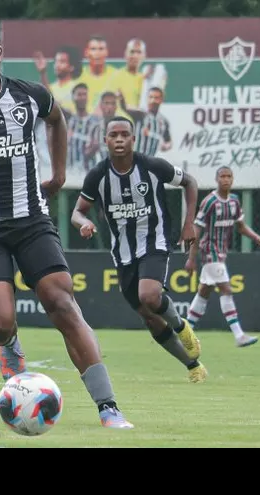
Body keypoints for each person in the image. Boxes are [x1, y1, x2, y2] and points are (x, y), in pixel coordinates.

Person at [0, 17, 134, 429]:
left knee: (62, 303)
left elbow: (57, 120)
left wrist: (57, 175)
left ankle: (108, 407)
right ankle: (10, 343)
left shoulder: (30, 96)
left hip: (32, 219)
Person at [69, 117, 206, 383]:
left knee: (150, 295)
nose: (119, 139)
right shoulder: (97, 175)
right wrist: (83, 223)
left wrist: (188, 224)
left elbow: (189, 182)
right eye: (113, 135)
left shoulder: (152, 166)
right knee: (150, 317)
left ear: (134, 139)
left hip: (155, 242)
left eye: (124, 134)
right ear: (105, 140)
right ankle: (193, 364)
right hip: (122, 254)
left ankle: (181, 326)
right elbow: (77, 212)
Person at [184, 166, 260, 347]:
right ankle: (239, 335)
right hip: (209, 252)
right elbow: (196, 230)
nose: (226, 179)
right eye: (222, 176)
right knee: (226, 290)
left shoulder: (234, 201)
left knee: (204, 292)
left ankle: (185, 332)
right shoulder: (209, 202)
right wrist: (191, 258)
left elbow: (241, 226)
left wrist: (256, 237)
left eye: (229, 176)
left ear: (233, 179)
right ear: (217, 179)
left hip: (221, 253)